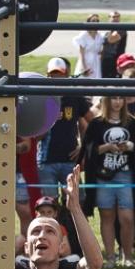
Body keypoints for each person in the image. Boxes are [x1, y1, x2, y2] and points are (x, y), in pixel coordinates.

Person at [82, 96, 135, 268]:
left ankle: (128, 256)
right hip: (103, 176)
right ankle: (110, 257)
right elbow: (89, 150)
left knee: (128, 218)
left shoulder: (132, 123)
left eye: (120, 98)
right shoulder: (96, 124)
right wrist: (107, 147)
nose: (117, 102)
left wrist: (129, 146)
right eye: (113, 98)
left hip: (126, 175)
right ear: (106, 101)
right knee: (107, 216)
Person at [39, 57, 92, 196]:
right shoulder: (41, 98)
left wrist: (83, 147)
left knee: (76, 199)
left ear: (66, 74)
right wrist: (49, 120)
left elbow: (93, 123)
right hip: (46, 161)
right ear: (47, 76)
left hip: (70, 160)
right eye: (52, 75)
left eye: (60, 74)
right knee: (48, 202)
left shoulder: (75, 96)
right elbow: (34, 135)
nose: (56, 78)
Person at [73, 14, 104, 79]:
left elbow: (100, 50)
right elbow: (81, 54)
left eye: (97, 21)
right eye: (93, 21)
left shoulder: (99, 36)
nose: (95, 22)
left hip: (96, 63)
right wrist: (84, 68)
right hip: (85, 61)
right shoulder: (83, 35)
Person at [101, 11, 126, 79]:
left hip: (116, 60)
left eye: (117, 17)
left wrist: (109, 29)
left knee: (116, 81)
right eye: (113, 17)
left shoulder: (121, 29)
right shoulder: (105, 29)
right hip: (105, 59)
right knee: (104, 79)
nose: (116, 19)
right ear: (109, 18)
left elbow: (111, 40)